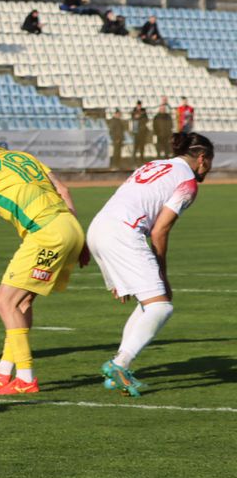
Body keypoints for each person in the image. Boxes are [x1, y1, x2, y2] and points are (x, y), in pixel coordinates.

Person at [0, 117, 88, 395]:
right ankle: (4, 371)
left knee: (3, 301)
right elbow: (63, 190)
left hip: (45, 232)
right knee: (22, 301)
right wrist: (82, 241)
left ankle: (26, 378)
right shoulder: (23, 156)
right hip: (70, 225)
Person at [88, 132, 213, 396]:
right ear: (202, 158)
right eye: (210, 162)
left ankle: (119, 367)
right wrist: (162, 272)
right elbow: (159, 231)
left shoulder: (154, 164)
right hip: (123, 232)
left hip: (98, 228)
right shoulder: (188, 182)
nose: (208, 168)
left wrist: (114, 272)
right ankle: (119, 364)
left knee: (148, 304)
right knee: (161, 306)